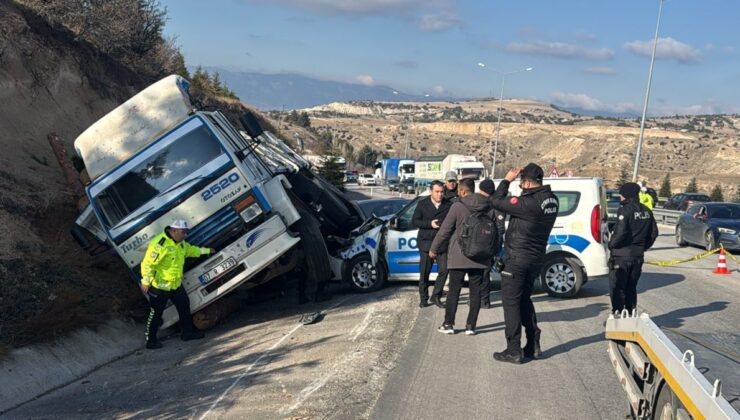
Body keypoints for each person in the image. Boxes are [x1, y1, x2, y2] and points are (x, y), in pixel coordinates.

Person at [488, 164, 559, 364]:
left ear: (527, 182)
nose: (520, 187)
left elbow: (495, 201)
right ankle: (533, 345)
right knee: (524, 300)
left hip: (517, 259)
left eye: (522, 183)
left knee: (511, 303)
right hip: (535, 259)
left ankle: (513, 350)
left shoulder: (528, 202)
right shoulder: (552, 200)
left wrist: (507, 180)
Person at [429, 178, 492, 335]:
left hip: (459, 255)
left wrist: (434, 248)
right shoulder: (487, 205)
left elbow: (444, 230)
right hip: (481, 255)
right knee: (475, 291)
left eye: (459, 191)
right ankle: (471, 326)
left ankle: (448, 324)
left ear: (463, 191)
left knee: (454, 291)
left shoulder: (458, 206)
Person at [140, 219, 214, 349]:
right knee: (156, 313)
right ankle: (150, 340)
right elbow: (148, 264)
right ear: (174, 231)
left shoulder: (180, 243)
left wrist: (207, 251)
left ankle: (187, 333)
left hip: (175, 285)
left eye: (186, 232)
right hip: (160, 286)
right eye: (183, 232)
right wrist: (146, 282)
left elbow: (190, 250)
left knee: (184, 306)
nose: (185, 235)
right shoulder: (160, 244)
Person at [608, 182, 658, 315]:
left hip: (622, 256)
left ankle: (618, 313)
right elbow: (653, 233)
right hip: (637, 256)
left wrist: (611, 245)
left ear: (626, 195)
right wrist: (643, 247)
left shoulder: (625, 210)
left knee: (618, 287)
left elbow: (620, 233)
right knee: (631, 287)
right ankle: (630, 313)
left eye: (621, 193)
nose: (620, 196)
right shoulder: (647, 211)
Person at [412, 181, 452, 308]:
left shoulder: (448, 205)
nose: (440, 194)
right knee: (424, 272)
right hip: (426, 243)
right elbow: (415, 221)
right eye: (437, 192)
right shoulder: (422, 204)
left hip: (442, 243)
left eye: (442, 192)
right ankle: (423, 298)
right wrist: (430, 224)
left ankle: (436, 296)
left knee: (444, 271)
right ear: (431, 191)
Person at [478, 179, 506, 309]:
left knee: (484, 272)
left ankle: (484, 300)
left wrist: (496, 246)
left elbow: (500, 228)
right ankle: (481, 298)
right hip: (484, 242)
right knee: (481, 272)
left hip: (489, 243)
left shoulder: (495, 205)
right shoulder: (489, 202)